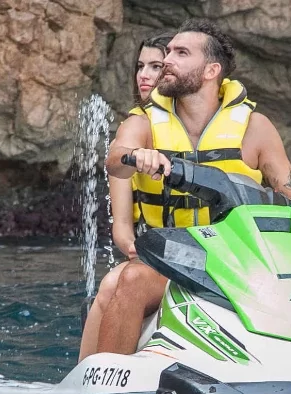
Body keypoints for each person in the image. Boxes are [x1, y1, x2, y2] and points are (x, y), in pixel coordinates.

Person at [93, 18, 291, 356]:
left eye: (181, 53)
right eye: (169, 51)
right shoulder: (142, 123)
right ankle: (106, 383)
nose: (168, 60)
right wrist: (136, 155)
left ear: (210, 70)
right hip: (173, 258)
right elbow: (115, 160)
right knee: (129, 280)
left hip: (242, 261)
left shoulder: (255, 128)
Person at [78, 33, 173, 361]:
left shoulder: (208, 131)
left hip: (209, 257)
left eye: (155, 66)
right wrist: (138, 250)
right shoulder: (132, 132)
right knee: (109, 285)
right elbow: (121, 227)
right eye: (140, 66)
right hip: (154, 257)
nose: (144, 75)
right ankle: (85, 381)